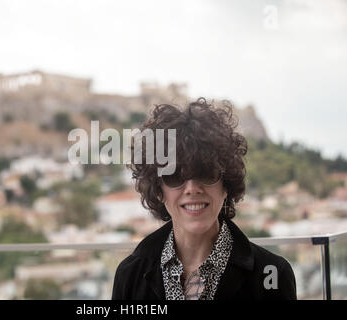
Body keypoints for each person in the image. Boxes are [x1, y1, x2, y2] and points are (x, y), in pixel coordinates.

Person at [111, 98, 296, 300]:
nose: (192, 188)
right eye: (174, 176)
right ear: (158, 190)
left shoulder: (272, 274)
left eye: (206, 174)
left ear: (226, 186)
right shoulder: (130, 275)